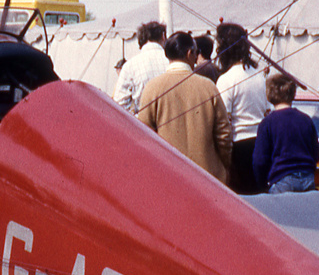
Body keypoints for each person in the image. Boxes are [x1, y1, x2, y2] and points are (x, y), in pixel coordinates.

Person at [137, 31, 232, 181]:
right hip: (208, 175)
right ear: (189, 53)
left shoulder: (152, 88)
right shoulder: (208, 86)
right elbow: (223, 134)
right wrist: (224, 164)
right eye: (196, 52)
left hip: (168, 174)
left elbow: (143, 133)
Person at [213, 23, 269, 194]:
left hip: (239, 146)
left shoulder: (226, 79)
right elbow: (268, 110)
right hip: (261, 143)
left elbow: (223, 119)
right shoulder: (258, 75)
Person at [249, 73, 319, 194]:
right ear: (292, 93)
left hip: (282, 180)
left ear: (269, 94)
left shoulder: (267, 123)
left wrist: (262, 185)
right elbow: (316, 154)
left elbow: (259, 161)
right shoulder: (306, 120)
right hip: (308, 178)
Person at [113, 21, 168, 113]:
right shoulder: (172, 61)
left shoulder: (130, 65)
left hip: (142, 122)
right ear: (163, 36)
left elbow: (120, 104)